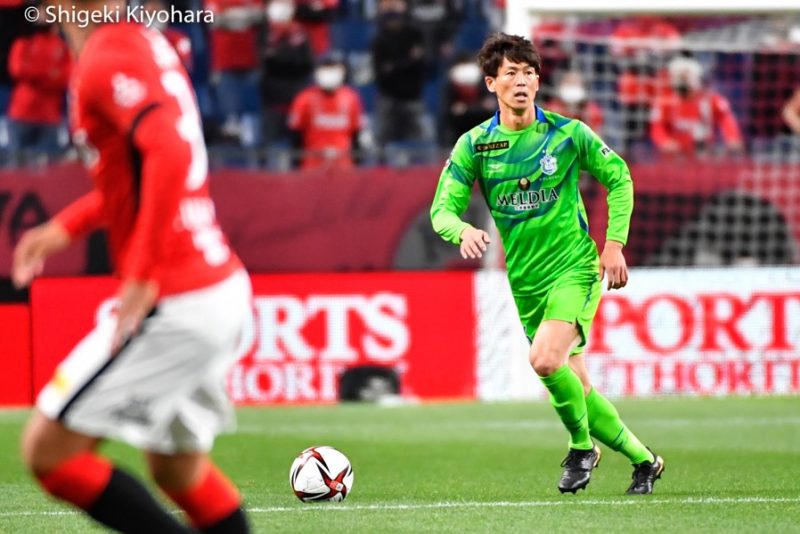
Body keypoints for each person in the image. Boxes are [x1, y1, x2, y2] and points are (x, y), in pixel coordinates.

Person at [11, 2, 252, 532]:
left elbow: (167, 149)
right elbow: (146, 172)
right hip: (215, 287)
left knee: (51, 454)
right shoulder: (140, 41)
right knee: (178, 470)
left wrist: (142, 274)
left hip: (177, 298)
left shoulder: (108, 52)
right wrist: (66, 228)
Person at [430, 33, 664, 495]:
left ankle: (581, 447)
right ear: (491, 83)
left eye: (529, 72)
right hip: (526, 281)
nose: (522, 81)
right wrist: (464, 231)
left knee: (543, 360)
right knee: (575, 380)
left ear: (539, 81)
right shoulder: (475, 145)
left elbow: (619, 178)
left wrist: (613, 244)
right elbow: (441, 211)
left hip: (575, 268)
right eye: (511, 73)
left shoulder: (569, 134)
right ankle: (645, 461)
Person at [650, 55, 743, 156]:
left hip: (705, 155)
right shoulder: (665, 102)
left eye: (686, 76)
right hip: (674, 156)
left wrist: (732, 138)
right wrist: (664, 142)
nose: (683, 81)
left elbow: (726, 119)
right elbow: (657, 127)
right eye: (680, 76)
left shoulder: (712, 100)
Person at [287, 52, 367, 169]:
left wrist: (356, 163)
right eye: (325, 68)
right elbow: (295, 135)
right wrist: (297, 165)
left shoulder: (351, 98)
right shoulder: (304, 98)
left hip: (344, 167)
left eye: (333, 68)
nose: (329, 72)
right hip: (312, 167)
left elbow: (357, 135)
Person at [6, 19, 71, 159]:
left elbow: (67, 76)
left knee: (51, 172)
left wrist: (33, 73)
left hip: (49, 117)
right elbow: (16, 70)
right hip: (22, 114)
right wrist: (49, 73)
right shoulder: (24, 43)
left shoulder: (63, 47)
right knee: (14, 169)